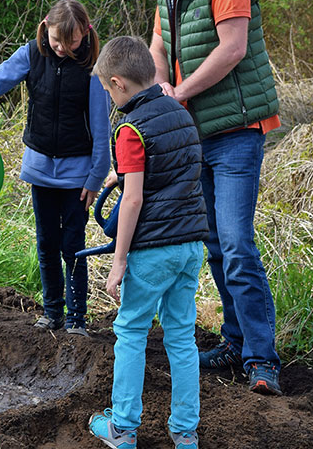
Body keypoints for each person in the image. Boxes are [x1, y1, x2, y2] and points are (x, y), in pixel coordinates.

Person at [131, 0, 282, 396]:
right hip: (195, 137)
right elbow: (157, 49)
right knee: (214, 243)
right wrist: (155, 95)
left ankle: (263, 359)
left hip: (236, 132)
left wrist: (180, 92)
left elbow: (233, 47)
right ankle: (235, 341)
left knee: (237, 244)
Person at [89, 36, 208, 449]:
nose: (108, 96)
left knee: (131, 331)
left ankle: (122, 428)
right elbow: (169, 173)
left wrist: (119, 260)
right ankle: (185, 432)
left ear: (119, 83)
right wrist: (121, 175)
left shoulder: (130, 128)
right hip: (191, 244)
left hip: (154, 249)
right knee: (181, 336)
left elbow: (135, 199)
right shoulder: (180, 114)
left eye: (107, 89)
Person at [0, 0, 110, 336]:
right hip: (40, 170)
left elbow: (102, 129)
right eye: (56, 40)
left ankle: (77, 318)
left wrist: (96, 177)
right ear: (44, 31)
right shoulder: (31, 54)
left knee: (73, 245)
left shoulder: (94, 69)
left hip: (78, 176)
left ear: (85, 33)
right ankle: (52, 313)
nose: (62, 48)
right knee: (47, 243)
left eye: (71, 41)